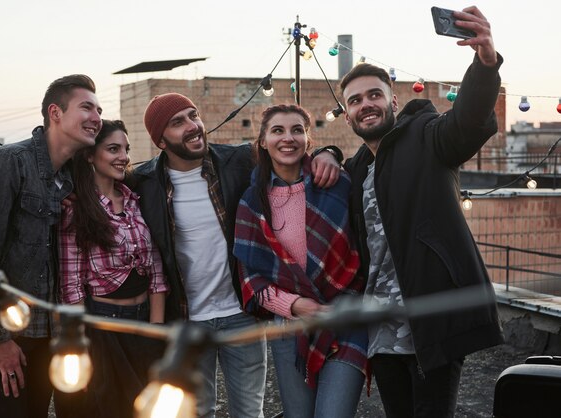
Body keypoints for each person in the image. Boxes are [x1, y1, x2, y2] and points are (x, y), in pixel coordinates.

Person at [132, 93, 341, 418]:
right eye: (178, 122)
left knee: (249, 412)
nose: (193, 126)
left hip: (240, 314)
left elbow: (291, 154)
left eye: (193, 115)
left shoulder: (238, 162)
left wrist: (330, 152)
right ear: (160, 140)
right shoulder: (144, 183)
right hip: (188, 320)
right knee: (198, 411)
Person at [340, 6, 504, 418]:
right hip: (380, 331)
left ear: (392, 99)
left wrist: (484, 63)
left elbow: (466, 122)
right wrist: (324, 151)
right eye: (355, 101)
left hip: (431, 321)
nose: (366, 105)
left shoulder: (427, 136)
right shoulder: (356, 168)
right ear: (347, 115)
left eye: (374, 94)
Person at [0, 75, 103, 418]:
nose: (97, 117)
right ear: (55, 113)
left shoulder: (73, 175)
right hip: (1, 327)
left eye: (100, 109)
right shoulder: (8, 163)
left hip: (45, 327)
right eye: (87, 107)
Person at [233, 104, 368, 418]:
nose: (288, 138)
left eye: (297, 130)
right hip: (289, 326)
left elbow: (363, 247)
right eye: (277, 130)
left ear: (309, 140)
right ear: (263, 141)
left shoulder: (336, 184)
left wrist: (331, 153)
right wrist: (294, 305)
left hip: (344, 317)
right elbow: (251, 278)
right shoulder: (252, 202)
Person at [59, 119, 168, 417]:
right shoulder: (76, 208)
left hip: (143, 323)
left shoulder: (135, 200)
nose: (123, 156)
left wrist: (156, 330)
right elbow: (71, 285)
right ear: (90, 155)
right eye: (113, 149)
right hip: (103, 327)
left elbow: (156, 271)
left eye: (126, 149)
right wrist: (79, 343)